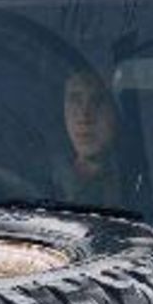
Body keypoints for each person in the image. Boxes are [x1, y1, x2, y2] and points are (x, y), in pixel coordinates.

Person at [50, 66, 126, 208]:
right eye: (75, 100)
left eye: (97, 101)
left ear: (116, 111)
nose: (84, 116)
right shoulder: (43, 182)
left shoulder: (136, 184)